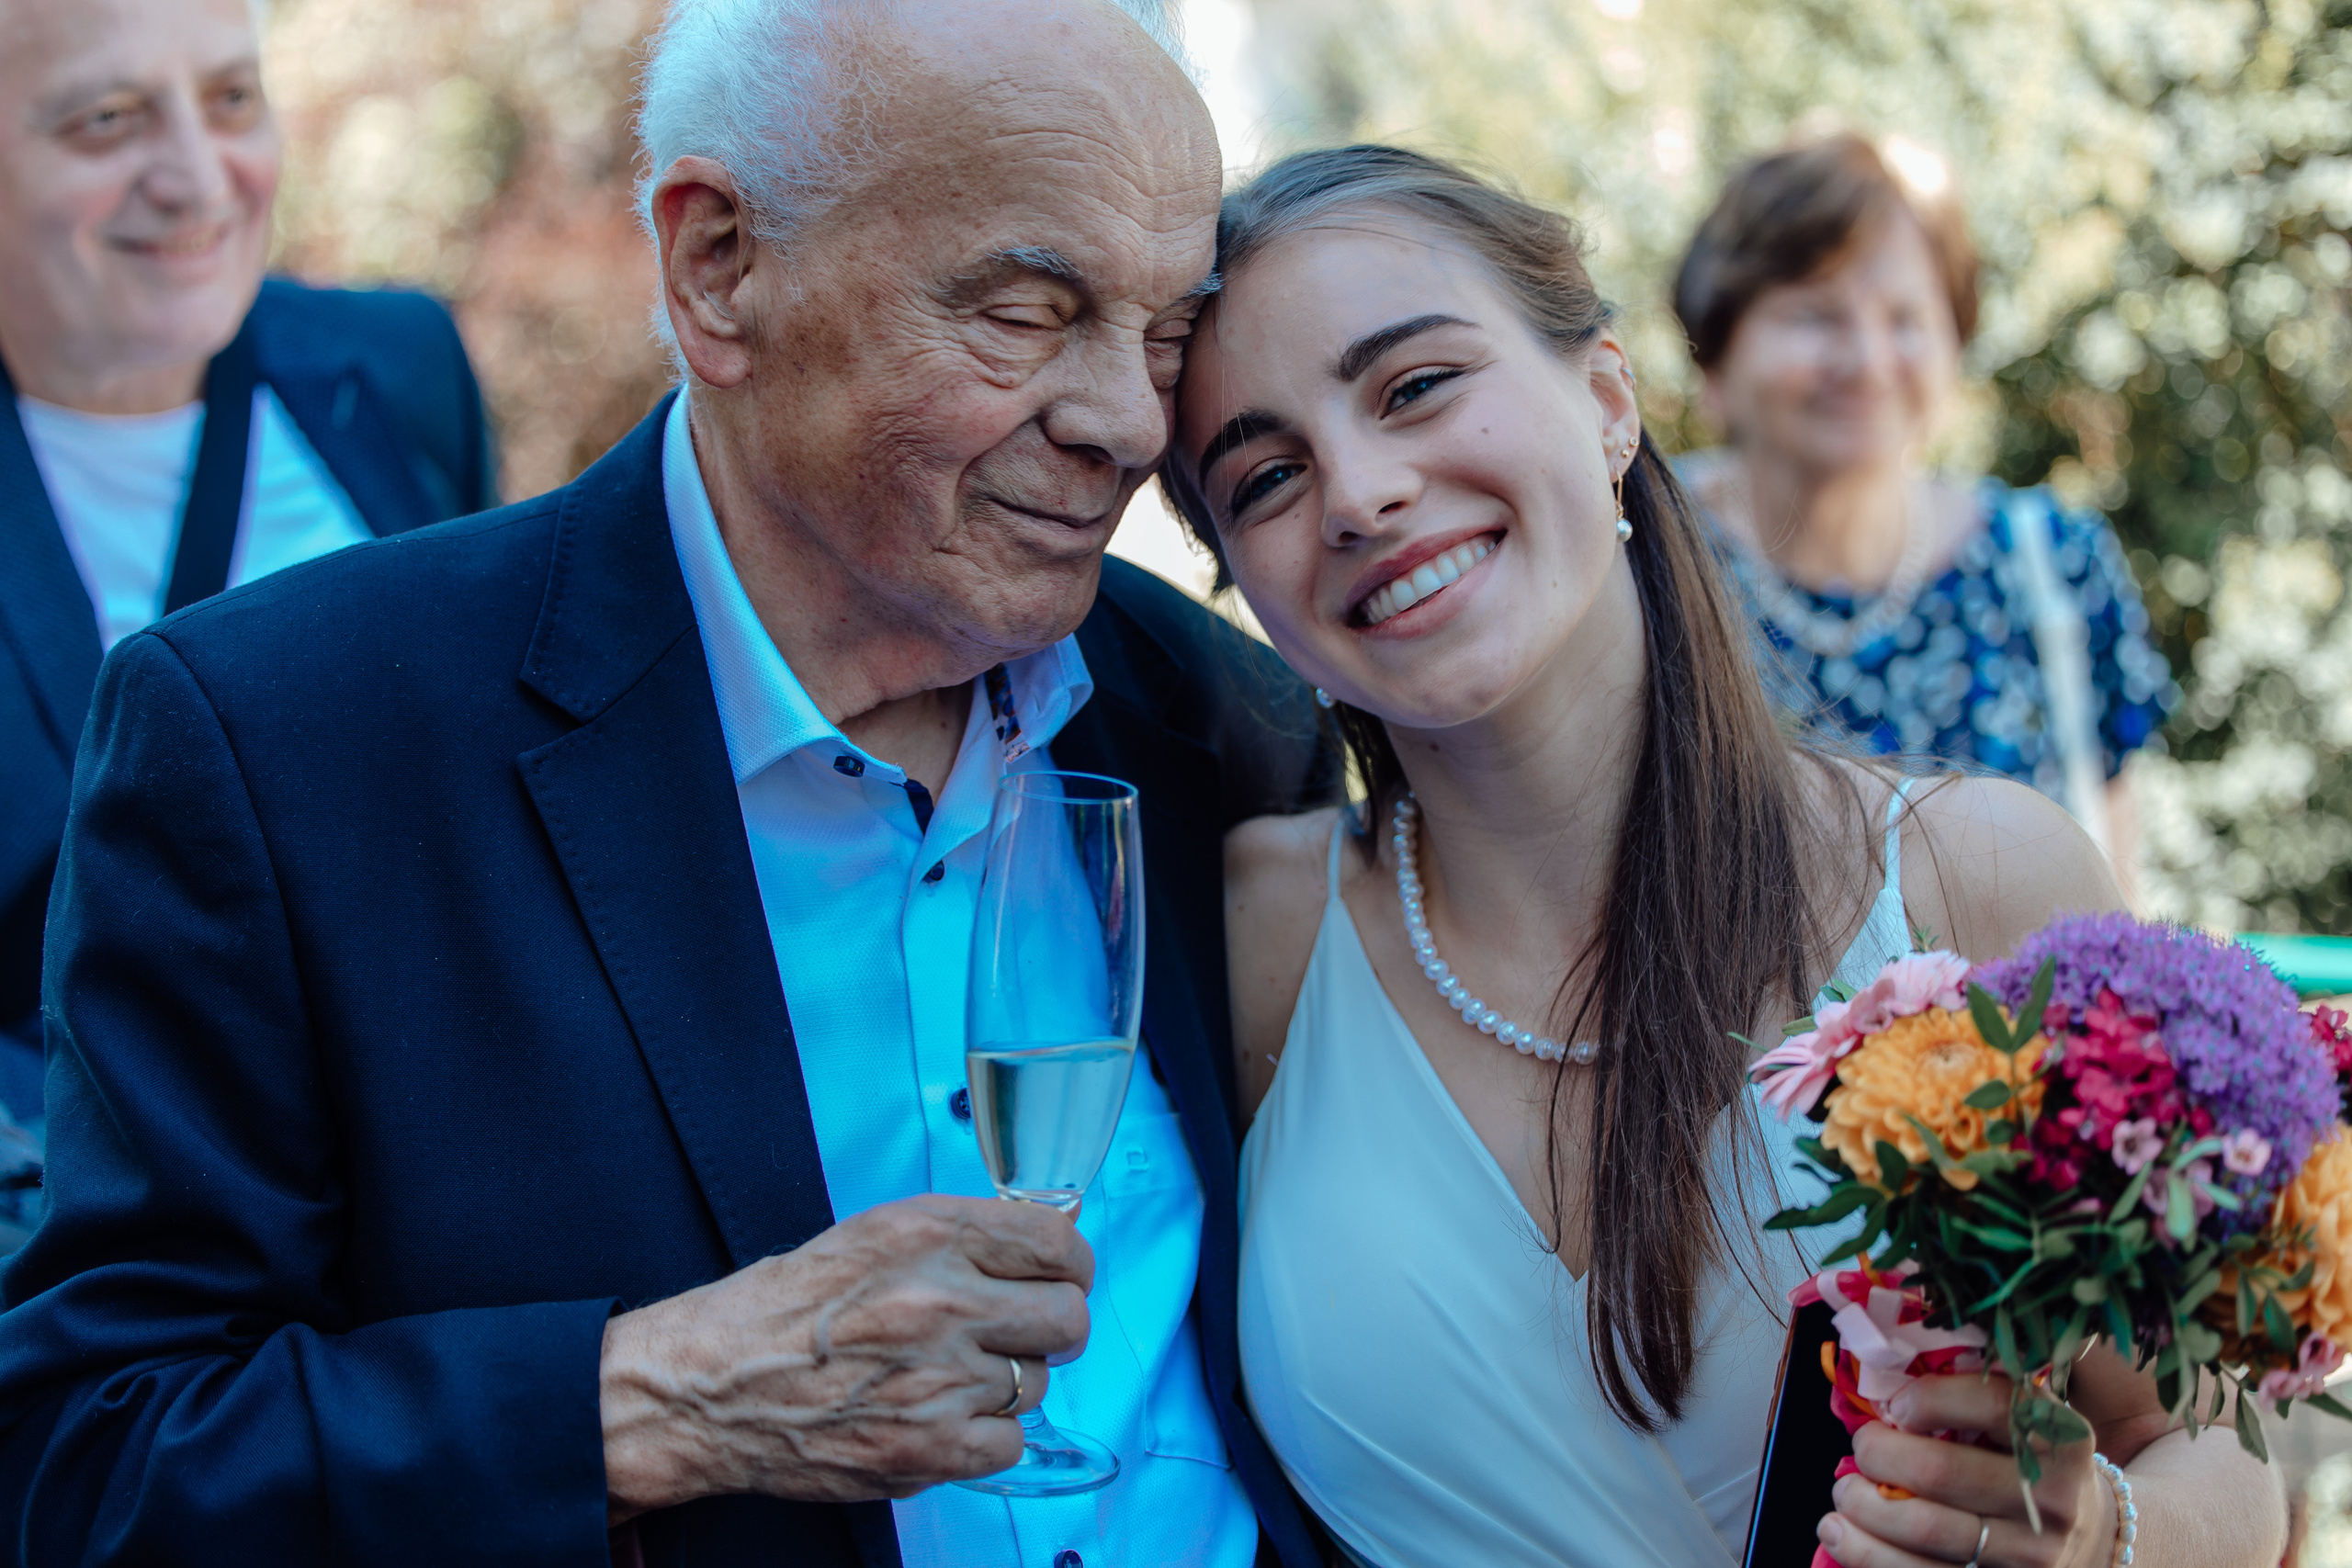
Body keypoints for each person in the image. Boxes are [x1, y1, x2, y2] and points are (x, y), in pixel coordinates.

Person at [0, 2, 1336, 1563]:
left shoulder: (1218, 715)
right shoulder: (284, 746)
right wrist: (652, 1401)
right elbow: (87, 1463)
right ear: (720, 268)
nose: (1125, 422)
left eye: (1167, 331)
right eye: (1030, 312)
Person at [1162, 145, 2285, 1568]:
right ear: (1241, 578)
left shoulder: (1972, 877)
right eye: (1264, 475)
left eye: (1417, 386)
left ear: (1608, 400)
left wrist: (2094, 1534)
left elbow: (2221, 1454)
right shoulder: (1252, 936)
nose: (1361, 491)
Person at [0, 0, 494, 1185]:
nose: (197, 180)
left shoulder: (397, 369)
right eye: (108, 120)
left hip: (431, 1193)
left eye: (230, 100)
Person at [1670, 132, 2175, 882]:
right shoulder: (1629, 554)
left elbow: (2107, 895)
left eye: (1904, 316)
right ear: (1716, 353)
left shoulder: (2053, 563)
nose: (1868, 362)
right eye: (1816, 314)